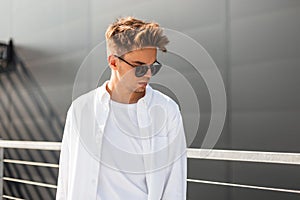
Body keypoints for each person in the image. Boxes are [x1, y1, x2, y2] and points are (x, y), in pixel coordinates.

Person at [56, 16, 187, 200]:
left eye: (152, 66)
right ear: (113, 62)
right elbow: (66, 179)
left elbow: (175, 185)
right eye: (139, 67)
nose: (148, 74)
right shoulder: (81, 109)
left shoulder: (167, 111)